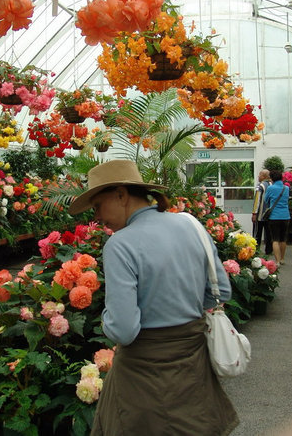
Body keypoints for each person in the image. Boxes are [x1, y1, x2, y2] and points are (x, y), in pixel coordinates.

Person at [68, 160, 239, 435]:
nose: (97, 216)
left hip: (142, 375)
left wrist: (106, 319)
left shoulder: (120, 244)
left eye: (98, 206)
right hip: (193, 366)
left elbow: (123, 330)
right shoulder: (189, 225)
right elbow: (221, 292)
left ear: (121, 194)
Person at [263, 170, 290, 264]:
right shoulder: (286, 188)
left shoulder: (270, 188)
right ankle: (282, 259)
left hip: (274, 216)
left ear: (272, 178)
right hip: (285, 215)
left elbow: (266, 200)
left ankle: (277, 261)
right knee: (283, 239)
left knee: (275, 239)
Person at [251, 169, 271, 255]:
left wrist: (254, 213)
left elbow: (257, 200)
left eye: (260, 175)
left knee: (257, 233)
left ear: (264, 176)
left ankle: (256, 250)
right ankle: (269, 250)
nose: (258, 176)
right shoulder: (271, 185)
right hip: (269, 214)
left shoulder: (260, 186)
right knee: (268, 233)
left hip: (260, 214)